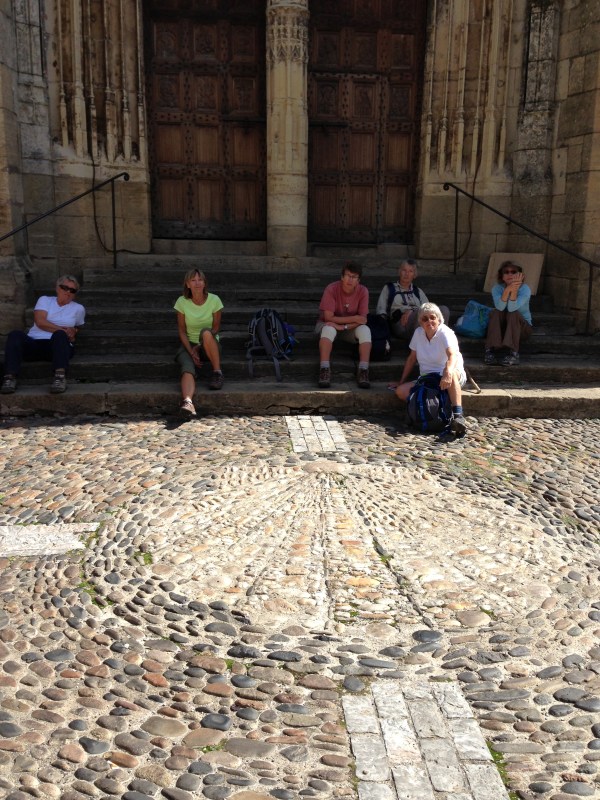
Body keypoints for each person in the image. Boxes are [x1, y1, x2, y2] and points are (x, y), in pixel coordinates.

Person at [389, 302, 467, 435]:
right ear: (420, 322)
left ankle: (458, 415)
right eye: (425, 319)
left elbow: (452, 355)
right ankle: (432, 407)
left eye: (432, 317)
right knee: (401, 392)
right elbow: (411, 359)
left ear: (439, 319)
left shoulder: (445, 332)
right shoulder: (418, 333)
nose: (429, 321)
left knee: (451, 373)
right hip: (428, 378)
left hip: (449, 374)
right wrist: (401, 381)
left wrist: (447, 371)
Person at [1, 274, 85, 395]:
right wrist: (63, 330)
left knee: (60, 336)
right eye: (64, 288)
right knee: (15, 334)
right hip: (35, 343)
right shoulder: (45, 300)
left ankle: (60, 378)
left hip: (58, 347)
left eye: (72, 290)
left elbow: (79, 325)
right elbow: (40, 322)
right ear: (57, 288)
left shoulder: (78, 308)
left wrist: (74, 331)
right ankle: (9, 378)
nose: (68, 292)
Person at [174, 269, 224, 417]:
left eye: (200, 280)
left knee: (206, 332)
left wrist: (200, 346)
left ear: (204, 283)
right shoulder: (182, 302)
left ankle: (217, 372)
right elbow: (182, 331)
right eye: (193, 280)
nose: (197, 283)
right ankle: (188, 402)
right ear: (187, 284)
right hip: (189, 343)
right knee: (187, 367)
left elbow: (216, 328)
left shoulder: (214, 300)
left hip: (209, 343)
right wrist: (191, 351)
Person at [316, 262, 372, 389]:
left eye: (354, 277)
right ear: (342, 277)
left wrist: (344, 327)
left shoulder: (363, 291)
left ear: (359, 280)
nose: (350, 280)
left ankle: (363, 370)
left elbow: (363, 320)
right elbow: (328, 317)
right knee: (329, 329)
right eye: (348, 275)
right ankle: (324, 369)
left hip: (349, 328)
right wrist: (354, 318)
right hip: (328, 325)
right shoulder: (331, 288)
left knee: (365, 330)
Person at [375, 258, 450, 339]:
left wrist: (412, 312)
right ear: (399, 271)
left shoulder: (417, 291)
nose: (406, 274)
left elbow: (429, 308)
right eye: (404, 270)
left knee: (444, 310)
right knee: (421, 314)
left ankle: (441, 340)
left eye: (410, 271)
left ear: (414, 275)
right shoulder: (389, 288)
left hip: (419, 320)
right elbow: (380, 310)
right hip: (400, 323)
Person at [484, 260, 532, 366]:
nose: (510, 274)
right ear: (502, 275)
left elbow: (512, 308)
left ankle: (514, 353)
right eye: (506, 272)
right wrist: (507, 290)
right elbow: (500, 307)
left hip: (521, 328)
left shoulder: (525, 289)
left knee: (513, 313)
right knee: (496, 312)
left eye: (513, 272)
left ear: (520, 275)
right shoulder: (497, 288)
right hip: (502, 328)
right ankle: (490, 351)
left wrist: (513, 290)